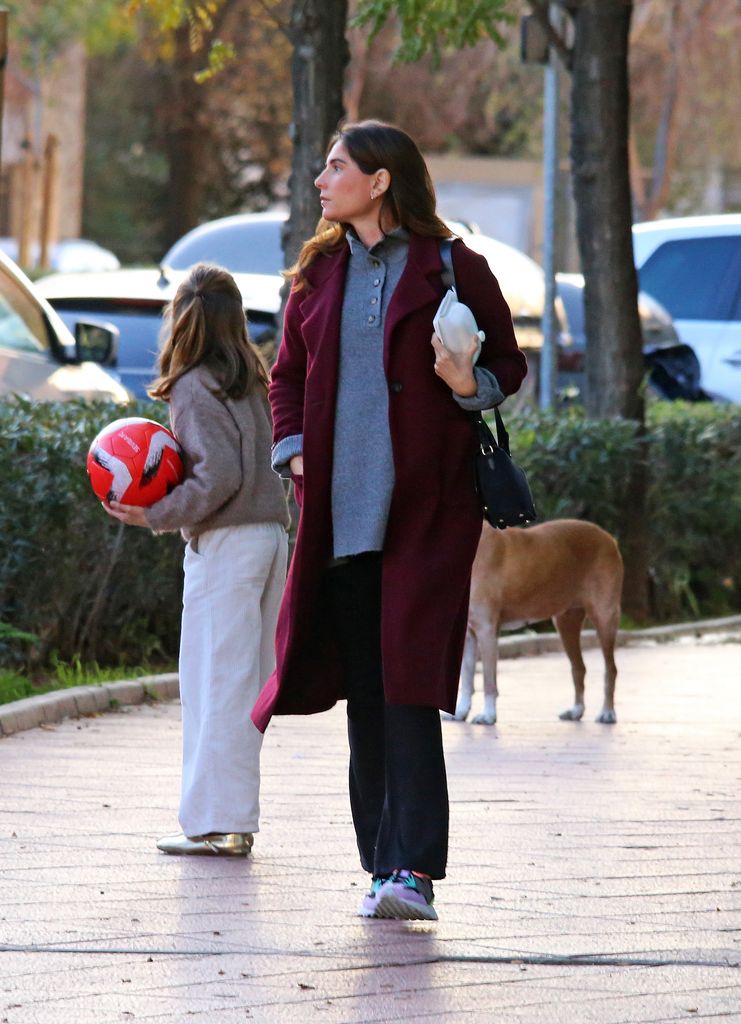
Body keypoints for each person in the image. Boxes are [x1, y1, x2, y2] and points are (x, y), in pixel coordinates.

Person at [251, 119, 528, 919]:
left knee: (408, 680)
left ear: (379, 181)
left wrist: (465, 378)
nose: (320, 179)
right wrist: (295, 449)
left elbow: (506, 367)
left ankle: (414, 871)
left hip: (426, 512)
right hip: (337, 513)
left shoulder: (451, 264)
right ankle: (380, 866)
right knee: (366, 688)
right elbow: (287, 377)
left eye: (335, 167)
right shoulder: (317, 273)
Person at [106, 263, 290, 857]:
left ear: (181, 318)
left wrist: (154, 513)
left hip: (228, 546)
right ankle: (229, 819)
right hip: (270, 537)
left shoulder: (191, 384)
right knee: (247, 686)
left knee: (217, 686)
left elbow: (217, 476)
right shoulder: (251, 377)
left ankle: (218, 826)